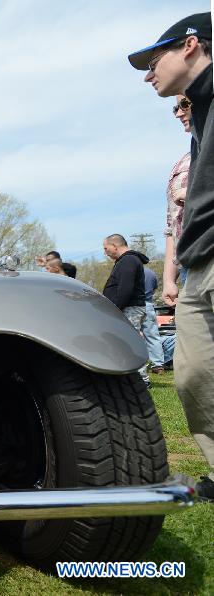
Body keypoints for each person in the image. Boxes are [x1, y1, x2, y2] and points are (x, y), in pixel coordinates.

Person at [130, 11, 214, 500]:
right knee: (193, 374)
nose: (148, 73)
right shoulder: (198, 114)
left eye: (153, 58)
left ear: (189, 45)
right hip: (198, 263)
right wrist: (174, 272)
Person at [101, 234, 150, 386]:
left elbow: (125, 289)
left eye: (106, 248)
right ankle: (131, 377)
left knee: (130, 343)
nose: (105, 252)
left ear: (115, 245)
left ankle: (141, 379)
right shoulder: (126, 261)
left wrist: (115, 308)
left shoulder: (128, 260)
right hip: (128, 308)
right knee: (127, 342)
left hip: (130, 308)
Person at [163, 96, 192, 304]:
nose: (179, 113)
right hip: (188, 268)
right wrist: (168, 279)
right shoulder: (182, 163)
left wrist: (194, 196)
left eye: (185, 104)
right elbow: (172, 228)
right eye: (176, 108)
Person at [141, 266, 167, 373]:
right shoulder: (151, 273)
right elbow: (154, 288)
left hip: (134, 305)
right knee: (153, 335)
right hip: (148, 305)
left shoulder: (131, 270)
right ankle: (158, 365)